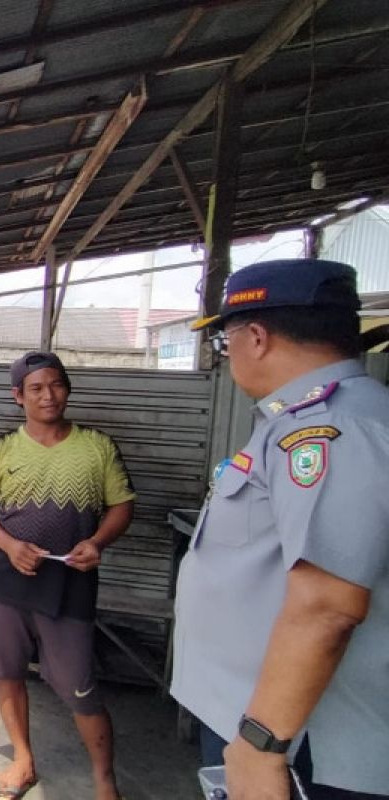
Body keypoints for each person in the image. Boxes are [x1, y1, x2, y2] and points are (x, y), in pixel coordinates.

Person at [172, 258, 389, 800]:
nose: (229, 357)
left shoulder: (331, 429)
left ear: (258, 337)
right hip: (268, 723)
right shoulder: (301, 421)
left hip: (297, 743)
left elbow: (328, 604)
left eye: (226, 343)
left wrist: (260, 744)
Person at [0, 351, 135, 800]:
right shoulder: (1, 449)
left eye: (56, 384)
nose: (48, 395)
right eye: (36, 388)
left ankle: (105, 783)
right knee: (8, 672)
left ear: (68, 388)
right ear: (17, 396)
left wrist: (97, 542)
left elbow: (122, 505)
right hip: (8, 578)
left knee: (80, 688)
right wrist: (8, 545)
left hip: (70, 581)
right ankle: (22, 762)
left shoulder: (97, 447)